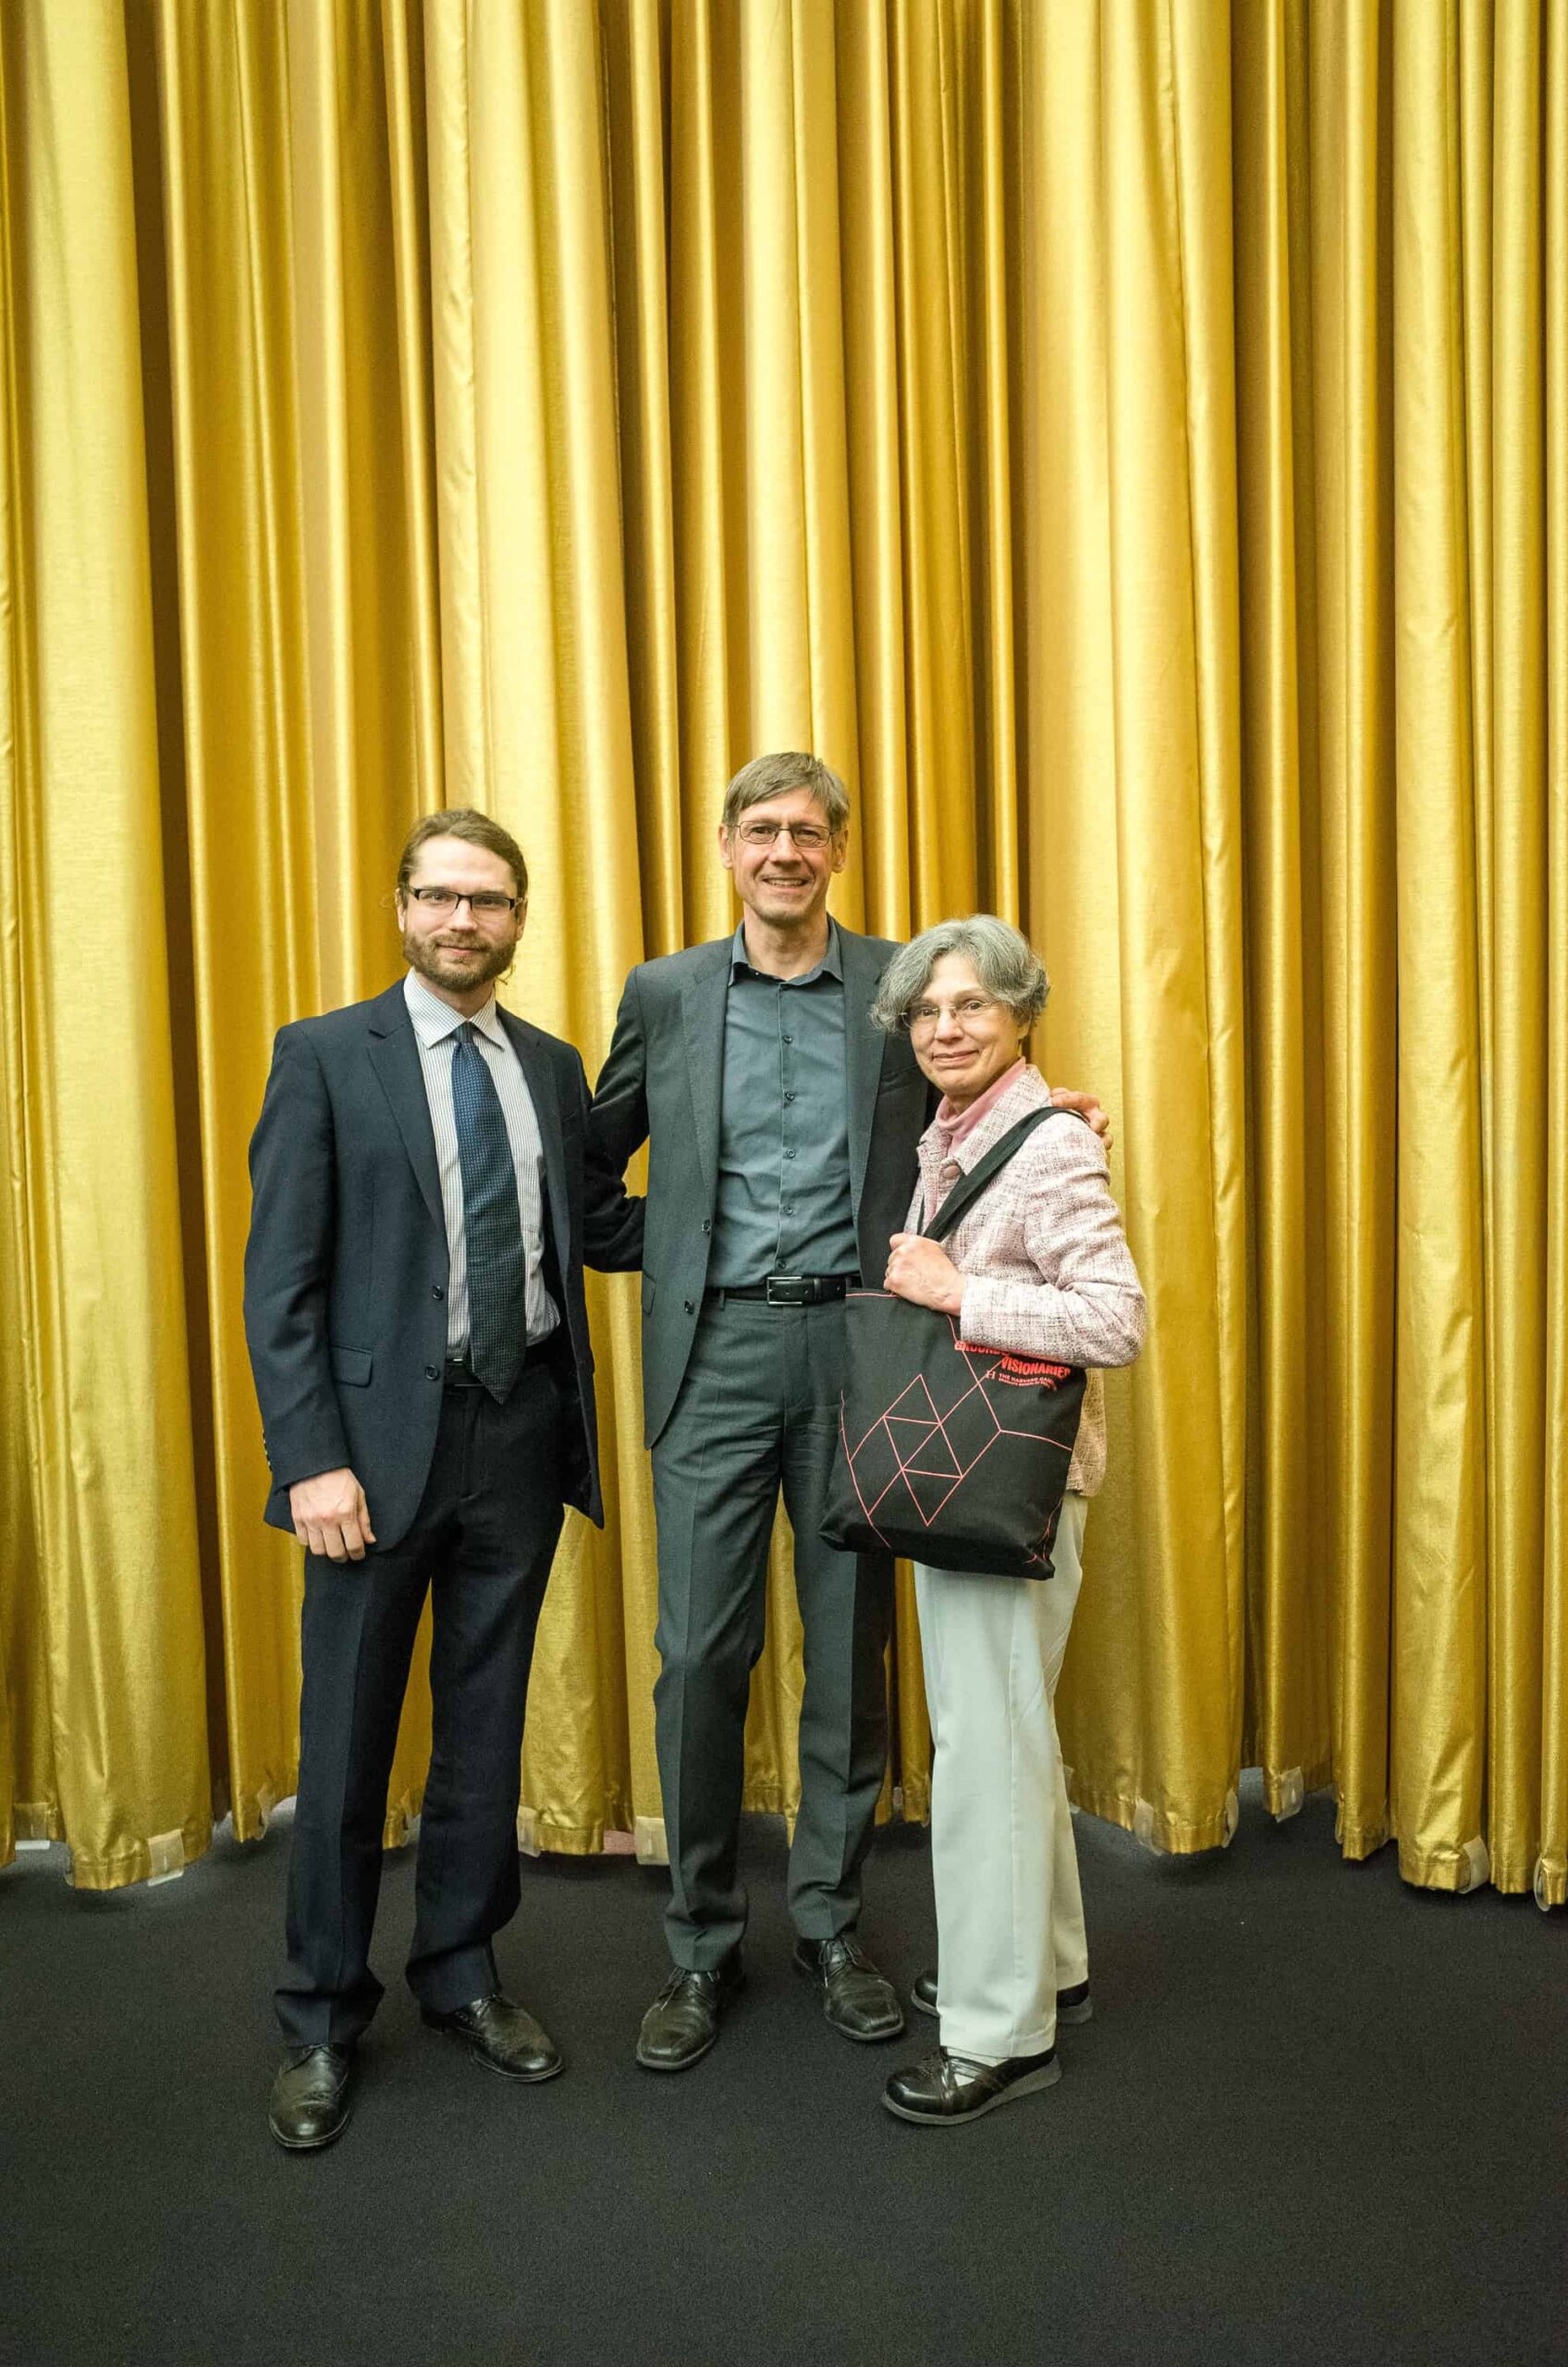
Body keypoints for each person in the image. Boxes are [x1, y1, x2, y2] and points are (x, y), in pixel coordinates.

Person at [587, 757, 1109, 2072]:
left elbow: (970, 1095)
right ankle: (700, 1944)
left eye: (807, 833)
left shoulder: (899, 994)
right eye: (760, 831)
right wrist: (683, 1240)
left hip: (863, 1357)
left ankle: (829, 1924)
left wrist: (1057, 1109)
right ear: (723, 847)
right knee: (701, 1658)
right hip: (712, 1357)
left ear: (837, 853)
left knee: (848, 1659)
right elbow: (592, 1164)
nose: (783, 852)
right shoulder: (664, 993)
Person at [244, 808, 640, 2151]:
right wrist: (311, 1462)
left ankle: (463, 1972)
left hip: (517, 1436)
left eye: (489, 901)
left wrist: (782, 1196)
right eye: (440, 897)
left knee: (483, 1734)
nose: (463, 921)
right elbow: (279, 1288)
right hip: (367, 1461)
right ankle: (317, 2016)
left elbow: (601, 1227)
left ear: (519, 920)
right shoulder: (323, 1058)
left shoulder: (552, 1063)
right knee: (349, 1748)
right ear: (403, 907)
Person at [867, 914, 1145, 2127]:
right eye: (929, 1011)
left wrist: (956, 1290)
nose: (947, 1027)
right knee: (1012, 1736)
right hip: (970, 1483)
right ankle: (1053, 1971)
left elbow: (1115, 1321)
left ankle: (996, 2031)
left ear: (1025, 1013)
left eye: (973, 1006)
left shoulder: (1044, 1147)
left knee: (984, 1754)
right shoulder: (961, 1129)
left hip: (1009, 1490)